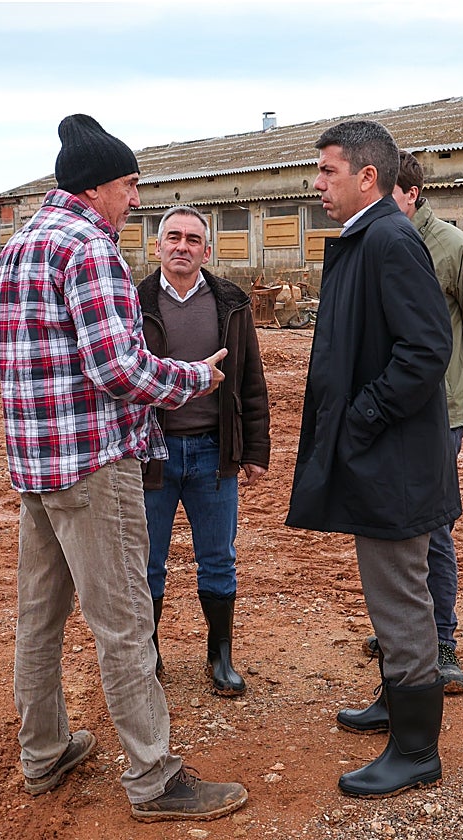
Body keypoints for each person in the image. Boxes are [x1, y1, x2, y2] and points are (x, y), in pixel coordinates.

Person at [0, 114, 247, 822]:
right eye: (131, 185)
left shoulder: (19, 247)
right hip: (95, 467)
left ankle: (43, 752)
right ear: (98, 185)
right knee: (126, 621)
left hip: (38, 468)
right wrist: (193, 378)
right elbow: (117, 368)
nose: (137, 199)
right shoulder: (90, 249)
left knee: (38, 620)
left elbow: (5, 363)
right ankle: (154, 778)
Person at [286, 120, 459, 799]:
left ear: (367, 177)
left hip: (396, 462)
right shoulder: (368, 237)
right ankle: (395, 703)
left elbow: (426, 350)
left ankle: (417, 751)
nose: (317, 183)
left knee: (402, 599)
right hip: (381, 456)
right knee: (390, 596)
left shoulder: (389, 239)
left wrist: (363, 416)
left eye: (327, 171)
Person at [350, 151, 463, 697]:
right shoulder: (377, 242)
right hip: (389, 408)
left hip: (439, 413)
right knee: (390, 520)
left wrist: (457, 386)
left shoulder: (458, 250)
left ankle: (441, 641)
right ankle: (403, 631)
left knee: (430, 525)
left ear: (410, 193)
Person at [137, 205, 270, 696]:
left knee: (218, 557)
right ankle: (147, 657)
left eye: (193, 239)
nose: (182, 246)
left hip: (214, 454)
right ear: (157, 246)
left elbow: (250, 381)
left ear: (207, 251)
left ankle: (220, 655)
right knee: (147, 561)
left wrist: (254, 449)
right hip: (152, 454)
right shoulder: (134, 300)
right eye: (173, 237)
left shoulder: (230, 302)